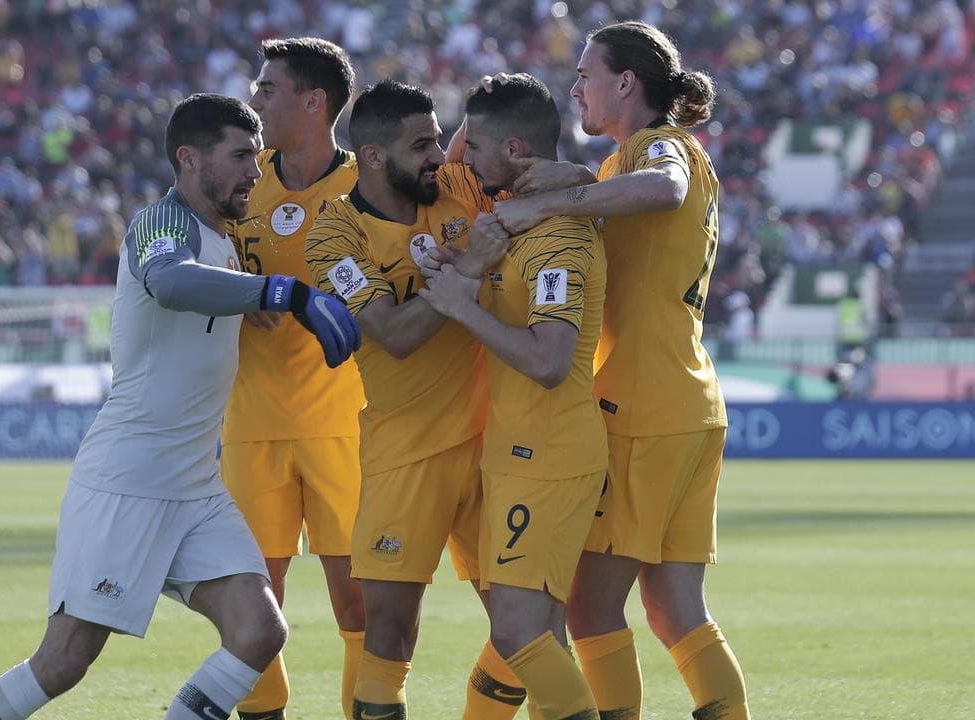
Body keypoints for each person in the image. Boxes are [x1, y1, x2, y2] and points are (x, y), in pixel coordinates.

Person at [0, 93, 361, 720]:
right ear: (189, 159)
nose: (254, 172)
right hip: (130, 479)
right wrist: (280, 292)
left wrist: (252, 295)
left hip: (196, 485)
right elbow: (171, 281)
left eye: (257, 157)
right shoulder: (160, 222)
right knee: (64, 661)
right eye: (240, 157)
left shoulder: (224, 241)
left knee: (259, 631)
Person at [492, 21, 751, 720]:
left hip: (641, 405)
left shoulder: (663, 147)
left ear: (626, 83)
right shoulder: (623, 165)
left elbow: (662, 189)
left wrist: (547, 202)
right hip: (688, 399)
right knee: (675, 609)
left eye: (586, 75)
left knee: (588, 608)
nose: (575, 88)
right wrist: (580, 179)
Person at [304, 79, 523, 720]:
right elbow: (395, 335)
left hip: (494, 446)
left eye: (438, 139)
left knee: (527, 631)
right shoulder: (335, 235)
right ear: (373, 156)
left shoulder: (457, 188)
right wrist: (469, 268)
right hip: (405, 453)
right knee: (389, 634)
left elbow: (527, 161)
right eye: (420, 144)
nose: (437, 156)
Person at [419, 73, 608, 720]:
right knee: (541, 633)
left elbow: (550, 363)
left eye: (474, 146)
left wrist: (462, 307)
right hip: (518, 450)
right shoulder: (515, 221)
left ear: (516, 151)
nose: (462, 158)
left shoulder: (559, 237)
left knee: (517, 634)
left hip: (549, 455)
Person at [219, 37, 366, 720]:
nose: (255, 98)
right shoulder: (239, 180)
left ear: (314, 102)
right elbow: (192, 263)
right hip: (252, 425)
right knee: (253, 603)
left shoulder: (366, 186)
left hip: (345, 424)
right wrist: (236, 297)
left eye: (268, 88)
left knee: (358, 603)